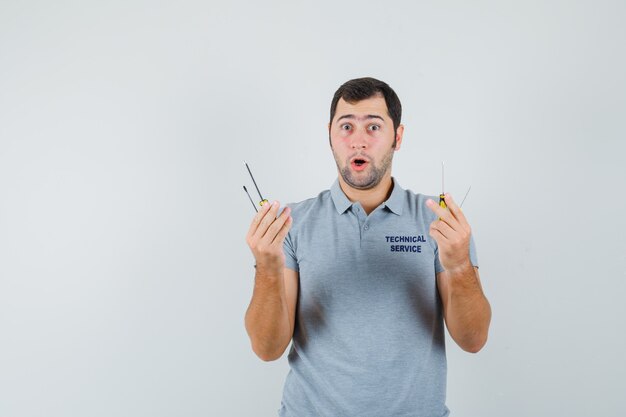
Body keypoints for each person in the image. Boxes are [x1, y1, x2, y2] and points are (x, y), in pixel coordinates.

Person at [244, 77, 492, 417]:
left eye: (373, 127)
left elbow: (474, 339)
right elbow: (267, 348)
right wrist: (268, 269)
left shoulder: (441, 222)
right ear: (329, 135)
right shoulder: (291, 224)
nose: (358, 141)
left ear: (397, 137)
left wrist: (460, 264)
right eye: (346, 126)